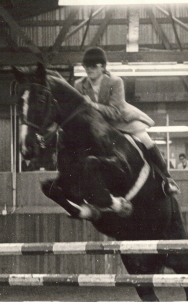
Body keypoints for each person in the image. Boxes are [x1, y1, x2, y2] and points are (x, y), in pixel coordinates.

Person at [74, 47, 180, 195]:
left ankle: (167, 179)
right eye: (86, 66)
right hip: (97, 125)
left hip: (120, 119)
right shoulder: (79, 85)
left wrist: (93, 105)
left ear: (103, 67)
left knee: (146, 140)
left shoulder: (116, 82)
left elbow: (115, 112)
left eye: (93, 65)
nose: (88, 69)